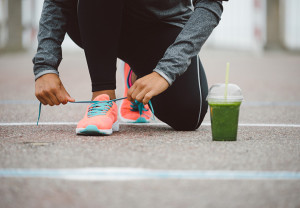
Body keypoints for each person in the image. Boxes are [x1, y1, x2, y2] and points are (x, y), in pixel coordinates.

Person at [33, 0, 226, 135]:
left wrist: (165, 72)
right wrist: (45, 66)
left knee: (187, 116)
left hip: (163, 24)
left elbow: (210, 3)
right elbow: (57, 1)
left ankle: (137, 71)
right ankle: (103, 99)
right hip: (95, 17)